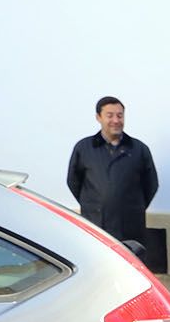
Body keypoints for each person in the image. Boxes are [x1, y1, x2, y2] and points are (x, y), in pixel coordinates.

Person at [66, 97, 160, 249]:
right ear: (98, 117)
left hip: (130, 229)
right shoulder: (84, 148)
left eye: (120, 115)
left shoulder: (139, 149)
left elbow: (151, 185)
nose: (116, 120)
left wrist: (132, 207)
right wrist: (94, 204)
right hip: (96, 226)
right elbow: (73, 181)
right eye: (110, 115)